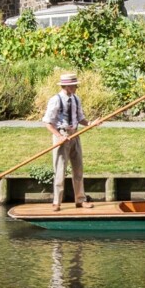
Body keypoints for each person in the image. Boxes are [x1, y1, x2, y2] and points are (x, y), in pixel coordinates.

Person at [42, 73, 92, 211]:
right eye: (75, 85)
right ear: (68, 86)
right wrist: (59, 136)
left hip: (75, 134)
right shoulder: (56, 100)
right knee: (60, 170)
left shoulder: (76, 99)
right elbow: (47, 122)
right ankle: (57, 202)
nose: (77, 87)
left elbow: (80, 117)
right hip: (61, 135)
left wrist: (89, 123)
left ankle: (80, 200)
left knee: (78, 169)